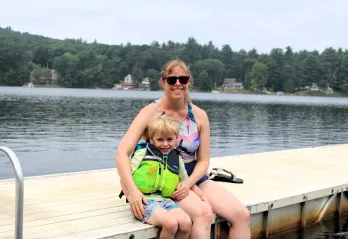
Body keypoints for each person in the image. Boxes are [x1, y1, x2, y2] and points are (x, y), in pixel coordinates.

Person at [116, 59, 250, 239]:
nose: (178, 83)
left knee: (241, 215)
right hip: (163, 176)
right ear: (163, 82)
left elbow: (203, 160)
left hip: (192, 177)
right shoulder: (150, 112)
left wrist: (188, 183)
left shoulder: (200, 116)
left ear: (188, 81)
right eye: (172, 80)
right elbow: (122, 154)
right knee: (203, 213)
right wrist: (132, 192)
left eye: (183, 79)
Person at [119, 116, 211, 239]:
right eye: (160, 140)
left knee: (186, 223)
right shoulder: (142, 153)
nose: (165, 144)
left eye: (169, 139)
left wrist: (203, 198)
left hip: (165, 201)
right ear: (152, 139)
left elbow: (186, 183)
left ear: (176, 139)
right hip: (145, 201)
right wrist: (132, 198)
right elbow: (124, 179)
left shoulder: (176, 159)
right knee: (171, 223)